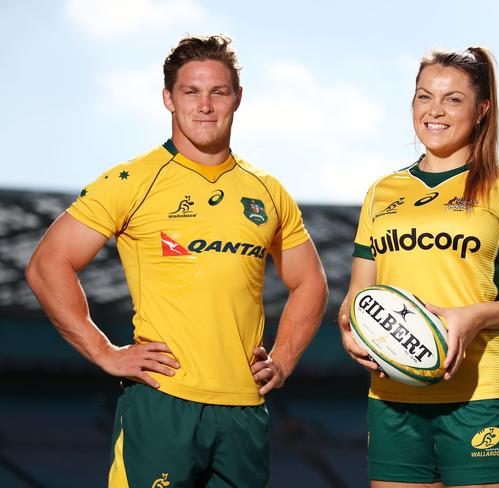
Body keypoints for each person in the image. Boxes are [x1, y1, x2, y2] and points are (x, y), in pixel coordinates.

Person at [26, 34, 327, 487]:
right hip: (163, 402)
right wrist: (105, 352)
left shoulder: (267, 190)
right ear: (168, 98)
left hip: (245, 408)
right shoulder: (132, 180)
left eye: (218, 91)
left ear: (237, 98)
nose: (204, 105)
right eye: (191, 91)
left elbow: (311, 283)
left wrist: (282, 360)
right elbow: (48, 263)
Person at [338, 47, 499, 488]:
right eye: (424, 96)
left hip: (482, 396)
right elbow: (357, 294)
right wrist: (350, 328)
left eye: (453, 99)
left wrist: (476, 316)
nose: (434, 111)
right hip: (392, 397)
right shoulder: (381, 192)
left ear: (482, 109)